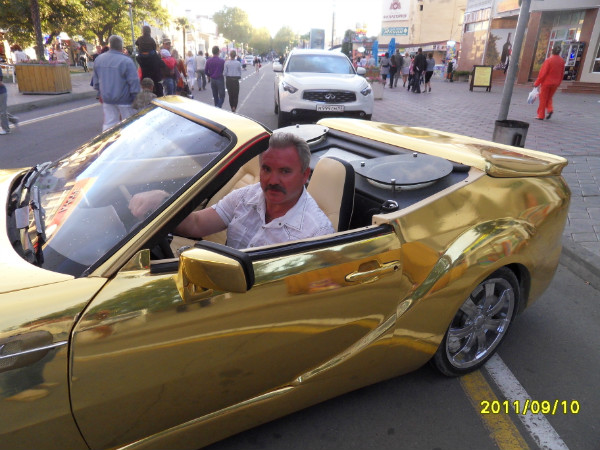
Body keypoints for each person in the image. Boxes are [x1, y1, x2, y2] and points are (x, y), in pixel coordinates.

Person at [128, 132, 335, 249]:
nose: (273, 180)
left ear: (305, 175)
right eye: (266, 169)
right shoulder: (247, 196)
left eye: (285, 171)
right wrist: (163, 201)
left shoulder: (316, 233)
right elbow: (197, 224)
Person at [92, 35, 140, 131]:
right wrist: (136, 97)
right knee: (129, 125)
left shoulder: (99, 59)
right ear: (121, 46)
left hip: (107, 98)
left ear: (110, 45)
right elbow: (134, 82)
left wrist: (102, 91)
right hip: (125, 99)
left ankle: (109, 140)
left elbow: (96, 83)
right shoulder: (126, 61)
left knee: (109, 124)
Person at [533, 44, 565, 121]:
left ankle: (541, 115)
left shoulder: (549, 60)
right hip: (555, 83)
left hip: (546, 83)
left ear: (552, 51)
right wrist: (559, 82)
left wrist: (537, 83)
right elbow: (562, 73)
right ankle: (550, 109)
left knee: (543, 99)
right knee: (549, 97)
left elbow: (543, 73)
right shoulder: (562, 61)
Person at [135, 26, 164, 97]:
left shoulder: (140, 39)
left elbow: (136, 43)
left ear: (143, 31)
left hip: (142, 57)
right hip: (151, 59)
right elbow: (154, 47)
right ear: (150, 32)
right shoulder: (151, 40)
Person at [0, 66, 20, 135]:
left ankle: (6, 129)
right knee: (2, 111)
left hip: (1, 93)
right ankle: (14, 119)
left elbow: (0, 82)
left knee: (2, 112)